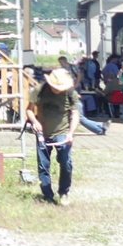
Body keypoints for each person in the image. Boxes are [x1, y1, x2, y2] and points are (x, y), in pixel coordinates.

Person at [28, 67, 81, 205]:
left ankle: (64, 192)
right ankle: (48, 196)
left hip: (62, 133)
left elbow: (75, 114)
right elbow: (29, 110)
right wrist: (34, 121)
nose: (57, 89)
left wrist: (71, 133)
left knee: (66, 163)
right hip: (43, 133)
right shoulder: (39, 90)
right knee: (43, 165)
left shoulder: (70, 93)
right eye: (55, 87)